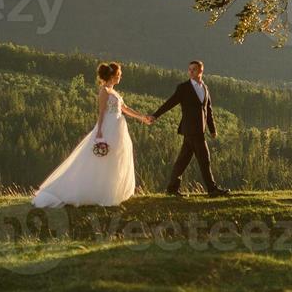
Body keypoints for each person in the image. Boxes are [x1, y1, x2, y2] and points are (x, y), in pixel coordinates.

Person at [32, 60, 152, 207]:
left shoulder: (114, 92)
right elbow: (101, 112)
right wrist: (99, 131)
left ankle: (111, 190)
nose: (121, 77)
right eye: (119, 74)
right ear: (113, 76)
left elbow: (124, 108)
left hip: (118, 128)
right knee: (102, 158)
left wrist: (141, 117)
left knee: (115, 158)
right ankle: (93, 191)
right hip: (109, 126)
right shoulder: (104, 91)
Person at [150, 59, 231, 197]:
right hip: (191, 130)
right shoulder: (183, 88)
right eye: (189, 69)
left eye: (194, 69)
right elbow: (170, 103)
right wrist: (155, 115)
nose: (190, 72)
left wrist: (212, 129)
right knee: (204, 159)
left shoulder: (205, 88)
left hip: (199, 130)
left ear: (201, 71)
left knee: (183, 160)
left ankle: (172, 189)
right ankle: (212, 189)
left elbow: (208, 110)